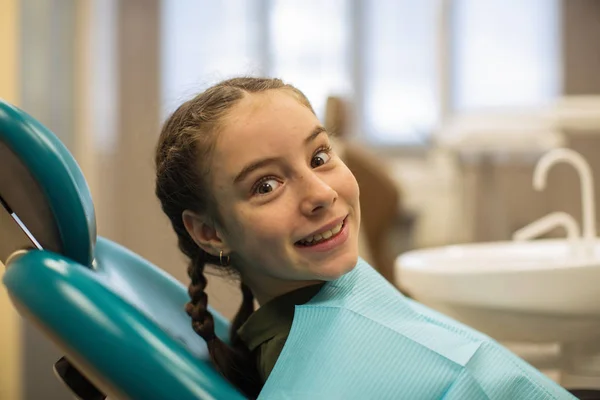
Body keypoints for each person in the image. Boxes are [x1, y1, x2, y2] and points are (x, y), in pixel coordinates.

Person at [154, 77, 576, 399]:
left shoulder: (339, 296)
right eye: (266, 185)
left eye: (319, 156)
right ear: (209, 232)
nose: (322, 193)